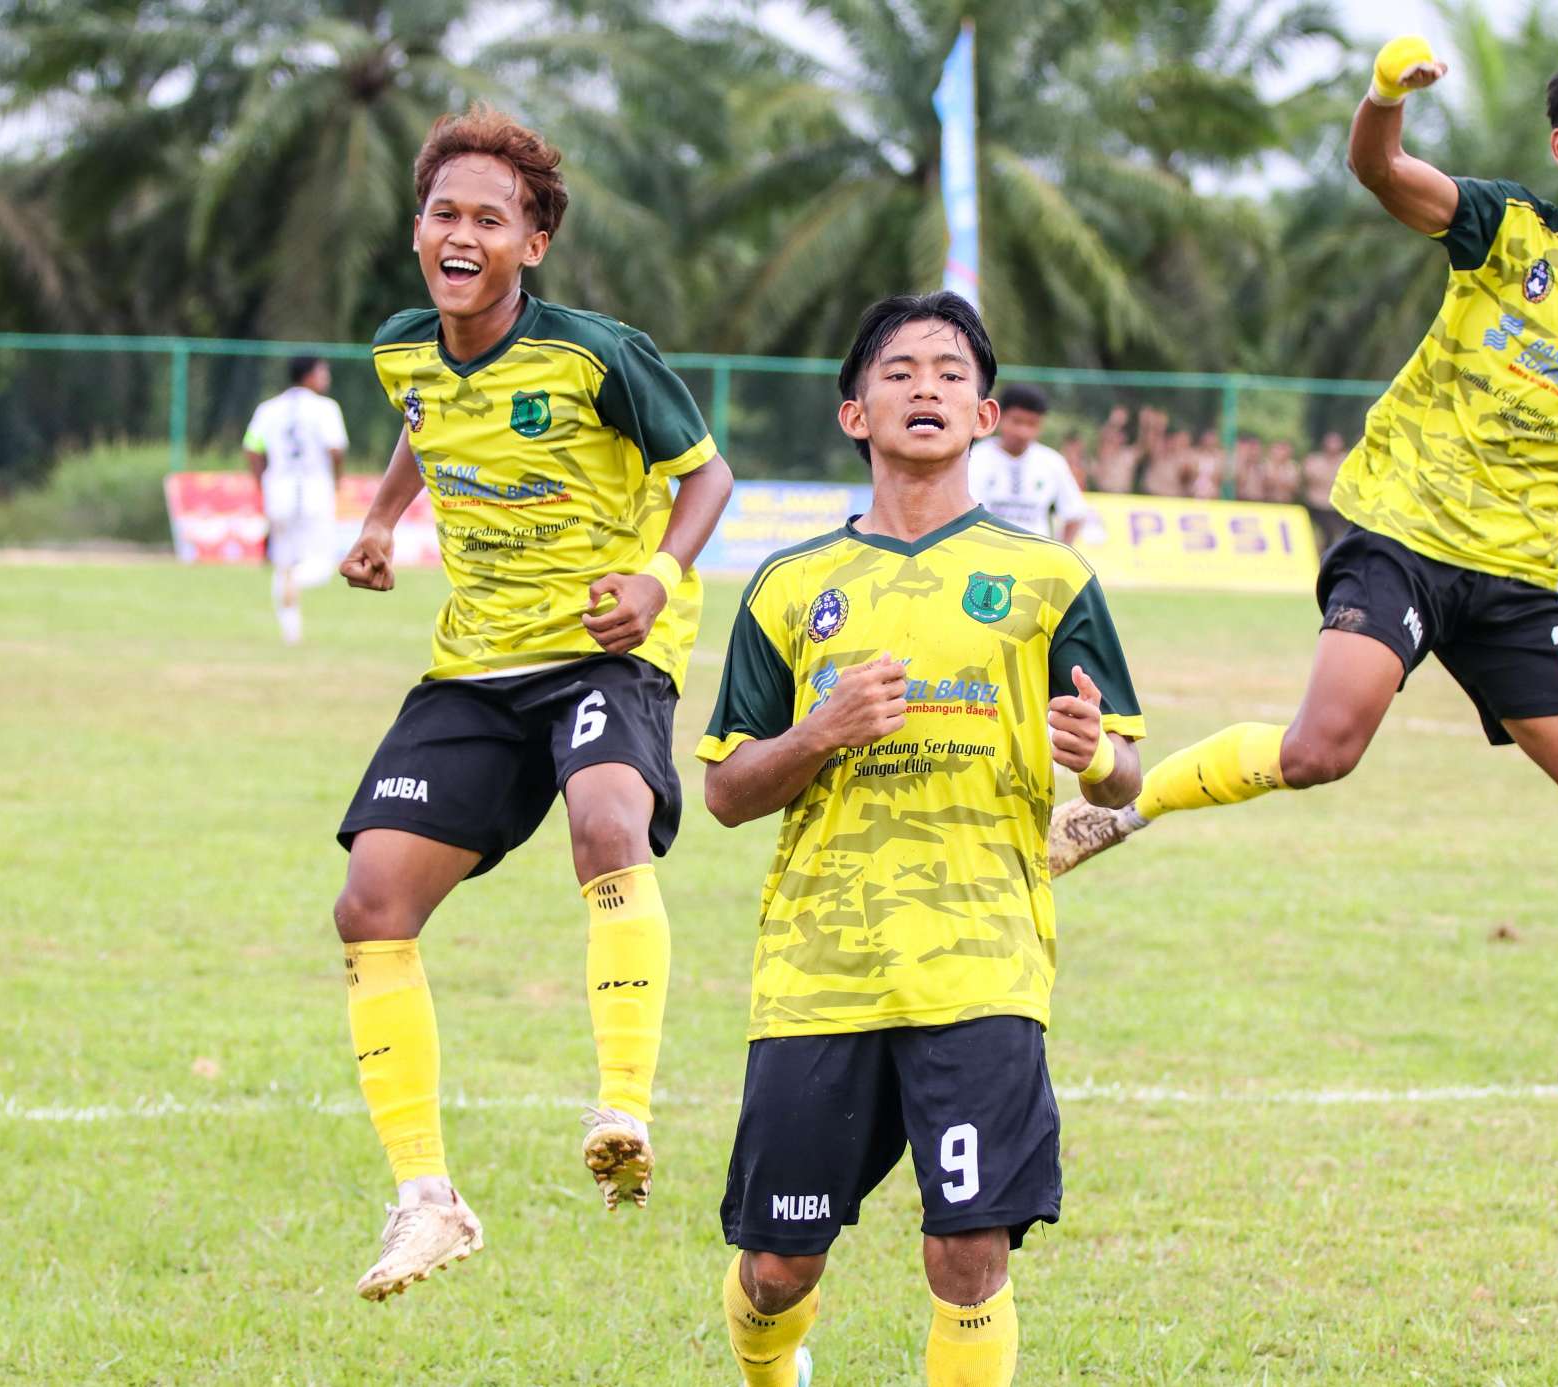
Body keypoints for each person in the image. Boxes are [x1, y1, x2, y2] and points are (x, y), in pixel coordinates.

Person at [1048, 33, 1558, 1155]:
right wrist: (1381, 99)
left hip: (1514, 579)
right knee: (1320, 750)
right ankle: (1124, 805)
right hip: (1399, 533)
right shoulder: (1507, 231)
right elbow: (1379, 171)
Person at [696, 292, 1145, 1387]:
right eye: (898, 371)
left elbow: (1124, 767)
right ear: (855, 413)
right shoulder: (792, 586)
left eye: (950, 372)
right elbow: (722, 790)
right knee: (776, 1267)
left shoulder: (1049, 578)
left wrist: (1093, 752)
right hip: (822, 967)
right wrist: (822, 730)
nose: (926, 387)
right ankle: (772, 1368)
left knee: (969, 1248)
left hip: (982, 954)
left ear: (987, 414)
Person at [328, 106, 735, 1300]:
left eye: (489, 219)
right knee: (370, 902)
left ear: (532, 244)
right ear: (419, 231)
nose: (463, 234)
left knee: (606, 820)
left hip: (608, 645)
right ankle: (427, 1201)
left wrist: (657, 580)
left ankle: (622, 1107)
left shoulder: (597, 354)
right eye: (445, 213)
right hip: (474, 665)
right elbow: (423, 421)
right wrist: (378, 520)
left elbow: (706, 476)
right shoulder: (403, 348)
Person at [243, 356, 348, 644]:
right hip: (315, 490)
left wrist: (261, 479)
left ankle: (291, 633)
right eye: (322, 372)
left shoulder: (269, 408)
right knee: (323, 565)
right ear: (308, 376)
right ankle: (298, 580)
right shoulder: (326, 409)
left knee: (283, 562)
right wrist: (338, 479)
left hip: (278, 489)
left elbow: (251, 447)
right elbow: (336, 449)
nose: (326, 377)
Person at [967, 383, 1091, 542]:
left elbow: (1075, 513)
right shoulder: (975, 458)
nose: (1023, 432)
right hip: (985, 559)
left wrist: (1060, 554)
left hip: (1035, 561)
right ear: (998, 416)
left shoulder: (1051, 462)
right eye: (1017, 421)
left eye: (1032, 424)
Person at [1302, 430, 1349, 551]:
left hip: (1339, 507)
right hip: (1317, 505)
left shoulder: (1347, 460)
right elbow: (1308, 479)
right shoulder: (1314, 460)